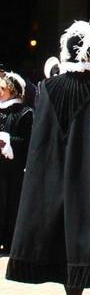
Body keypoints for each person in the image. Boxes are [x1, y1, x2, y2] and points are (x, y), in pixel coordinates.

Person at [6, 21, 90, 295]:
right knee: (81, 231)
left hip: (52, 170)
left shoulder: (47, 87)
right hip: (88, 172)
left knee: (61, 232)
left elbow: (42, 129)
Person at [0, 71, 33, 254]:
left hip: (16, 169)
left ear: (12, 90)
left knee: (13, 204)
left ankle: (11, 241)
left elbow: (29, 142)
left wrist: (8, 141)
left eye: (3, 88)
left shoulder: (25, 113)